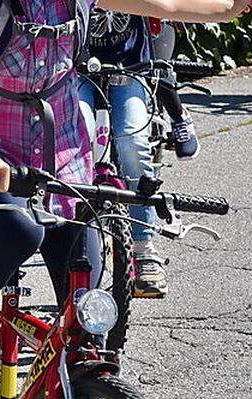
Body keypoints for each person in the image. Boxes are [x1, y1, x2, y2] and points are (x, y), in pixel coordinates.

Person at [0, 0, 252, 399]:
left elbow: (165, 3)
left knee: (86, 324)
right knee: (21, 232)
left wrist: (228, 8)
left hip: (65, 161)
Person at [77, 13, 195, 298]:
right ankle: (73, 247)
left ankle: (143, 247)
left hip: (129, 65)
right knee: (77, 142)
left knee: (132, 141)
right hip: (76, 69)